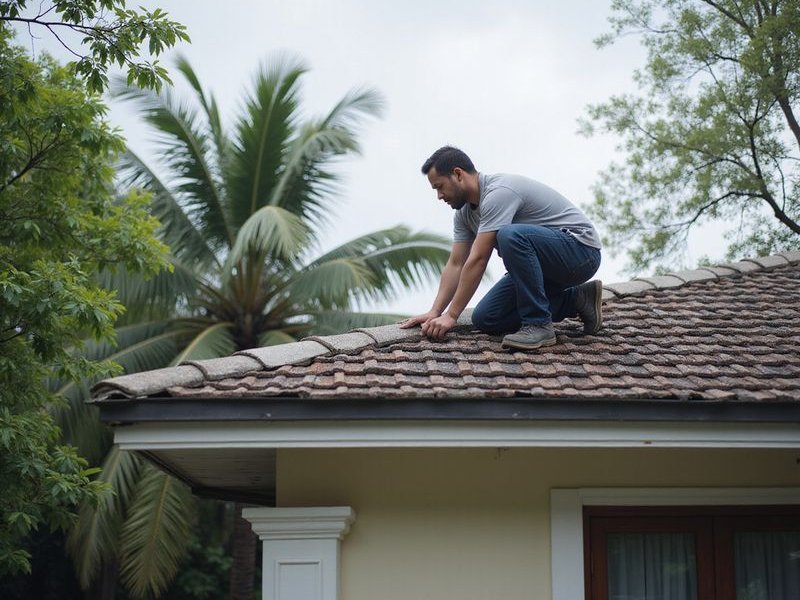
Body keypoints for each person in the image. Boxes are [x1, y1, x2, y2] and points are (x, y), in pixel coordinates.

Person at [400, 145, 603, 350]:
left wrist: (451, 316)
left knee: (509, 234)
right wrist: (435, 312)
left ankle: (538, 324)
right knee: (487, 318)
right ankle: (576, 299)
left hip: (581, 252)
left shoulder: (499, 193)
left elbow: (478, 259)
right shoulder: (463, 215)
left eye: (439, 186)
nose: (439, 196)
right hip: (543, 267)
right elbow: (456, 264)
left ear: (458, 174)